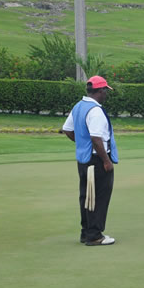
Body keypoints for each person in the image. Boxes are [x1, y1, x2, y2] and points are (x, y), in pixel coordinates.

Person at [61, 76, 119, 246]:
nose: (106, 94)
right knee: (98, 197)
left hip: (84, 161)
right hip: (96, 161)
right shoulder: (95, 111)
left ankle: (86, 232)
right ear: (100, 91)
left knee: (86, 196)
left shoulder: (79, 106)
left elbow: (67, 129)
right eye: (105, 91)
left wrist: (81, 144)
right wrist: (106, 161)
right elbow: (96, 138)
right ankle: (94, 235)